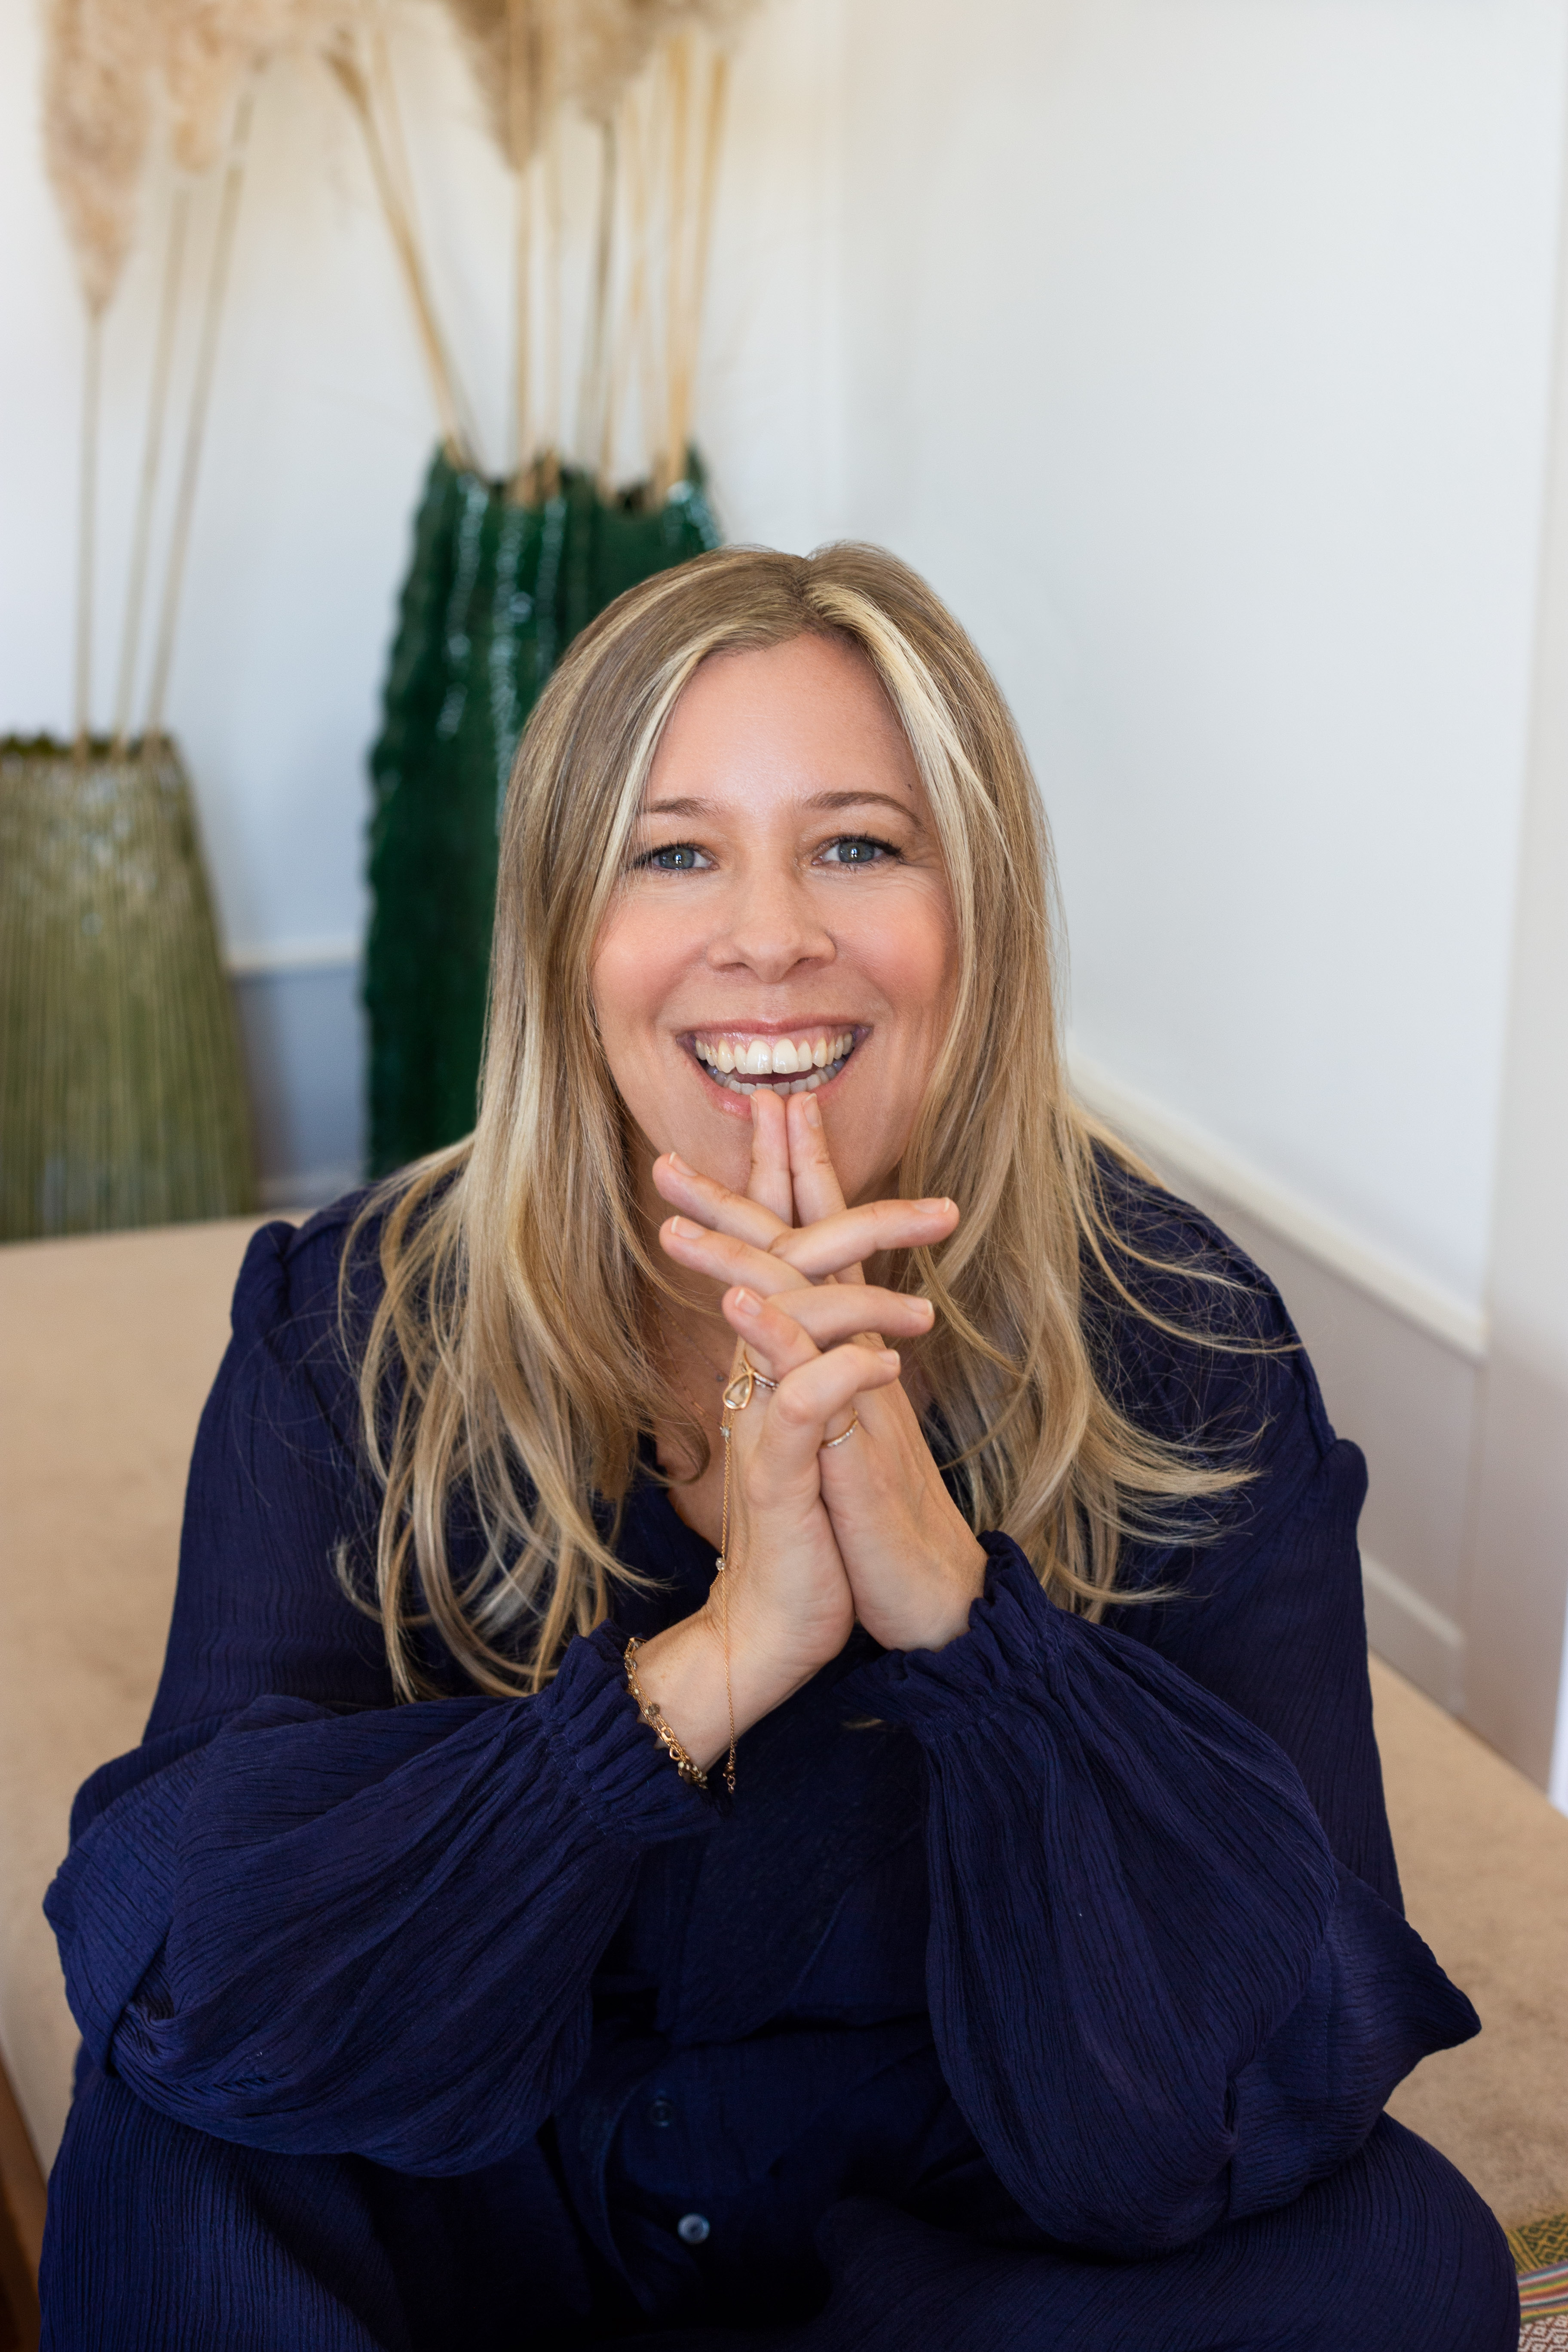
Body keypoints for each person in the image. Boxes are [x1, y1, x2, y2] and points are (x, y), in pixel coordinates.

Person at [41, 545, 1516, 2350]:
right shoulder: (358, 1328)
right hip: (496, 2169)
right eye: (676, 852)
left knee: (1392, 2267)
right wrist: (720, 1660)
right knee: (183, 2130)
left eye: (857, 844)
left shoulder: (1182, 1345)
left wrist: (969, 1626)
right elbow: (194, 1952)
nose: (769, 934)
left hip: (956, 2210)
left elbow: (1250, 2073)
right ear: (564, 935)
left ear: (977, 921)